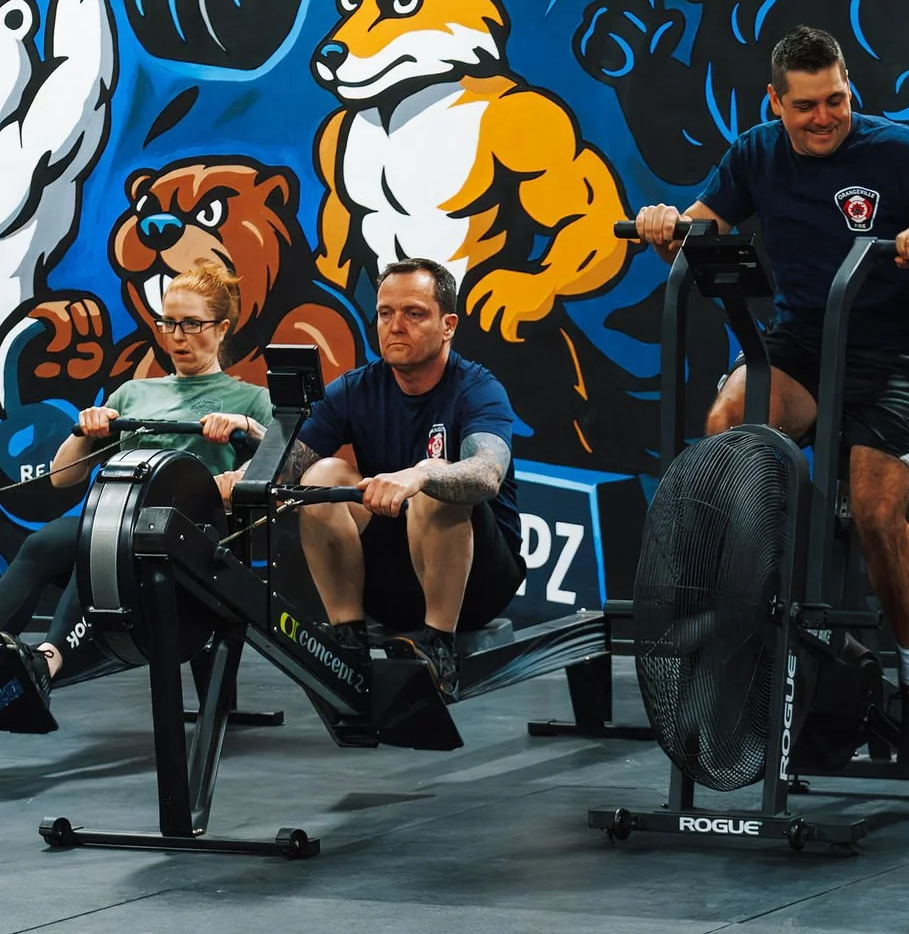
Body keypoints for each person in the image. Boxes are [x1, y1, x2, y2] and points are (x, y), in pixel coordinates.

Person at [635, 25, 909, 779]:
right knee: (727, 428)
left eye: (836, 100)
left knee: (878, 515)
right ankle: (747, 613)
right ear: (775, 102)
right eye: (807, 105)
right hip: (803, 346)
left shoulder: (897, 151)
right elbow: (697, 229)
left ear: (851, 90)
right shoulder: (755, 152)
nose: (824, 117)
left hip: (896, 356)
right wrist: (665, 228)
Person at [0, 260, 274, 733]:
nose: (177, 336)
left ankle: (45, 663)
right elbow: (63, 478)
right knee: (45, 544)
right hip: (115, 519)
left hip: (187, 538)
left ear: (222, 327)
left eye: (192, 324)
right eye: (169, 322)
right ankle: (13, 662)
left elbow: (275, 464)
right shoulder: (134, 392)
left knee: (100, 546)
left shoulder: (247, 399)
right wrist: (87, 430)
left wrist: (246, 432)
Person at [285, 256, 524, 702]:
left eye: (414, 313)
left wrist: (419, 476)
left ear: (447, 325)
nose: (396, 326)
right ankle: (349, 640)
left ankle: (439, 649)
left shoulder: (477, 387)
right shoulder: (356, 389)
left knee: (438, 478)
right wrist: (240, 468)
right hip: (391, 586)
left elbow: (487, 475)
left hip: (477, 586)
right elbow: (286, 467)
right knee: (321, 476)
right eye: (385, 313)